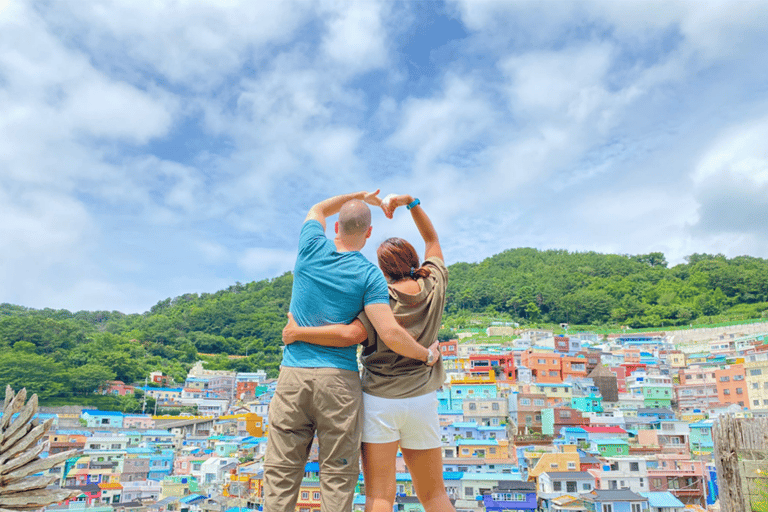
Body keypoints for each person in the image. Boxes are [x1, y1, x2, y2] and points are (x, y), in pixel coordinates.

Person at [263, 190, 440, 512]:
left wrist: (360, 195)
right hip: (340, 382)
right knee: (338, 474)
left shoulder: (310, 247)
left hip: (293, 375)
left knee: (281, 471)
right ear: (369, 233)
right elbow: (383, 333)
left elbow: (317, 207)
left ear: (335, 228)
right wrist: (426, 355)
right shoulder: (371, 275)